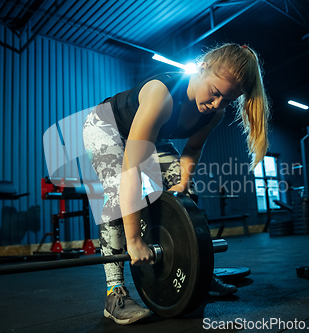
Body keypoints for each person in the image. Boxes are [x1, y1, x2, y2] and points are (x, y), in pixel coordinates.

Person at [82, 43, 270, 325]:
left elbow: (192, 150)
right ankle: (115, 293)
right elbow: (132, 168)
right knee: (117, 195)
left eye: (227, 101)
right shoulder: (162, 94)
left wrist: (183, 184)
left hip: (151, 136)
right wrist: (133, 240)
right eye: (215, 93)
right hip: (105, 126)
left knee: (186, 195)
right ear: (202, 67)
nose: (217, 104)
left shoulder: (214, 112)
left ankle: (199, 274)